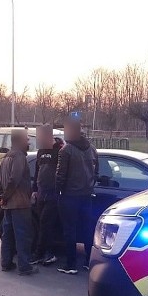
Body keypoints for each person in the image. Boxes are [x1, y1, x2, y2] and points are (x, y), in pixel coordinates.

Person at [55, 117, 98, 274]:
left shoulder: (66, 150)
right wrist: (90, 185)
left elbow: (60, 175)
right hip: (87, 195)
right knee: (87, 229)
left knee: (69, 230)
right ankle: (88, 261)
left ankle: (71, 264)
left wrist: (58, 192)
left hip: (70, 196)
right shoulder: (91, 148)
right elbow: (96, 171)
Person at [0, 129, 37, 276]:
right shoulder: (19, 157)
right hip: (19, 204)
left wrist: (2, 196)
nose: (28, 142)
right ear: (19, 141)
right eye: (26, 139)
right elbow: (14, 179)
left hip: (8, 205)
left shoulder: (6, 156)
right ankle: (25, 266)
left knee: (8, 235)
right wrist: (6, 196)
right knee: (23, 236)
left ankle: (6, 263)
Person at [31, 126, 62, 266]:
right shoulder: (40, 152)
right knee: (43, 225)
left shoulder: (58, 151)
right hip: (41, 194)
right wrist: (34, 190)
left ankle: (45, 253)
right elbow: (37, 172)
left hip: (53, 194)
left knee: (46, 224)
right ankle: (45, 253)